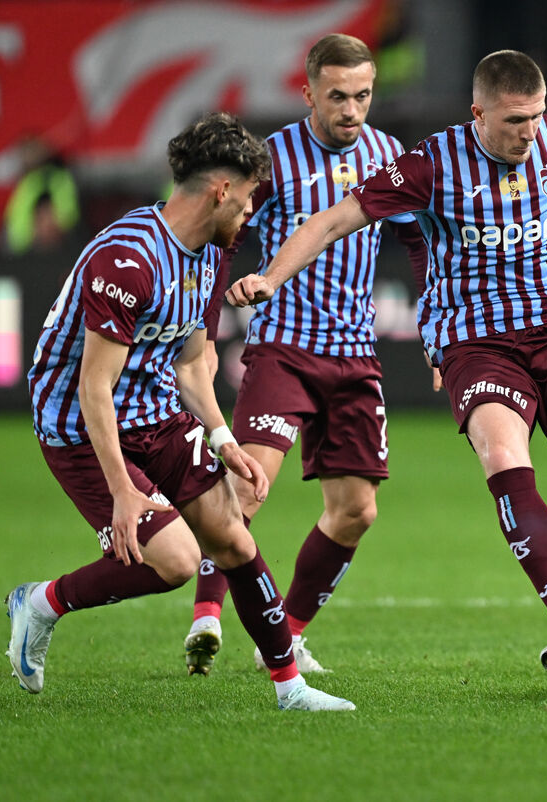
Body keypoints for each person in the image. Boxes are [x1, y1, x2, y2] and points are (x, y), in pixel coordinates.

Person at [227, 50, 547, 698]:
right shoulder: (430, 163)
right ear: (477, 113)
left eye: (536, 117)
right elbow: (337, 219)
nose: (528, 132)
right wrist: (271, 277)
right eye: (513, 121)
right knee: (505, 455)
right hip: (477, 341)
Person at [7, 112, 353, 712]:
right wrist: (121, 490)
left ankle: (290, 688)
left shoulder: (210, 253)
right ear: (221, 190)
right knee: (172, 561)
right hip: (81, 427)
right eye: (246, 200)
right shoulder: (128, 258)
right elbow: (95, 386)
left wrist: (223, 441)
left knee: (233, 541)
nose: (248, 215)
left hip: (156, 411)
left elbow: (193, 365)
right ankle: (40, 603)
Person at [184, 35, 429, 678]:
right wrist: (207, 329)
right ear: (309, 93)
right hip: (284, 348)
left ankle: (288, 633)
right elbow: (221, 240)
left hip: (355, 356)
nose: (352, 110)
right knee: (245, 488)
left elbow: (419, 243)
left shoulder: (389, 158)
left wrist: (439, 326)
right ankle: (207, 616)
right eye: (338, 96)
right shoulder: (273, 159)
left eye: (364, 96)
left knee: (356, 512)